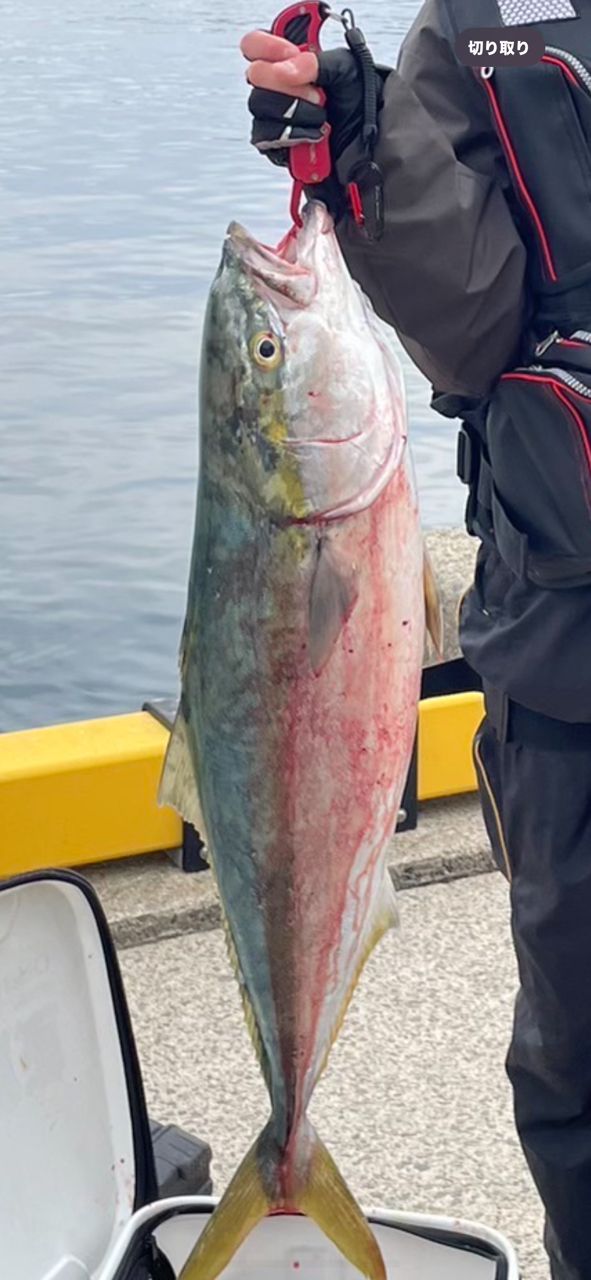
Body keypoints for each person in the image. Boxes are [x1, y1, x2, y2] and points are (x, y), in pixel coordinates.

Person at [241, 3, 591, 1279]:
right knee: (583, 1059)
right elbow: (479, 317)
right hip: (573, 652)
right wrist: (364, 134)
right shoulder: (488, 28)